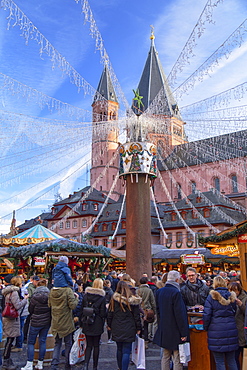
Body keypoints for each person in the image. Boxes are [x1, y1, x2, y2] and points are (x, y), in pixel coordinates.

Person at [153, 270, 189, 370]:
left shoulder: (159, 291)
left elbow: (158, 311)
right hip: (175, 329)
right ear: (177, 280)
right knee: (177, 357)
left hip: (164, 328)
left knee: (165, 355)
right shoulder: (176, 293)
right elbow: (179, 314)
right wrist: (183, 332)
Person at [203, 276, 238, 370]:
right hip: (231, 329)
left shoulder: (211, 297)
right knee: (231, 360)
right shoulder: (231, 296)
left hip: (216, 330)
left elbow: (207, 315)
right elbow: (234, 311)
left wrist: (205, 327)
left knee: (219, 361)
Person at [107, 281, 142, 370]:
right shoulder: (132, 301)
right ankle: (124, 368)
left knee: (119, 349)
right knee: (126, 351)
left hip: (117, 326)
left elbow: (110, 313)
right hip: (129, 327)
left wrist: (109, 324)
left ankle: (120, 367)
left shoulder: (114, 299)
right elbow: (136, 316)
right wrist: (139, 327)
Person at [21, 279, 51, 370]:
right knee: (42, 341)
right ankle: (40, 363)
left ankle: (29, 363)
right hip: (46, 322)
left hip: (35, 321)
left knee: (31, 342)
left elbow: (31, 310)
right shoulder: (50, 297)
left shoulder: (34, 297)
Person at [48, 282, 78, 370]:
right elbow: (73, 305)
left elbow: (49, 304)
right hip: (66, 322)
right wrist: (76, 298)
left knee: (57, 343)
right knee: (68, 343)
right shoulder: (68, 291)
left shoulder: (52, 292)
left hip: (56, 322)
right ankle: (67, 364)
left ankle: (54, 364)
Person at [2, 275, 28, 370]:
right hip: (12, 318)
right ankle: (6, 360)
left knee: (9, 339)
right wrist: (25, 300)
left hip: (8, 317)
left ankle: (6, 360)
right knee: (10, 339)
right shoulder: (14, 293)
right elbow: (17, 306)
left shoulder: (8, 291)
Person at [80, 278, 106, 370]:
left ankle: (86, 364)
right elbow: (103, 313)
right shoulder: (102, 298)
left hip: (87, 321)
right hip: (97, 322)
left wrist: (81, 322)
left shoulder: (86, 296)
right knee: (96, 345)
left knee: (88, 345)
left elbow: (81, 309)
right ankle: (95, 366)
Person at [228, 281, 247, 370]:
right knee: (234, 357)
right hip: (233, 331)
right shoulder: (228, 299)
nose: (233, 292)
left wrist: (241, 305)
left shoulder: (245, 298)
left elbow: (245, 313)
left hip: (242, 331)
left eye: (235, 290)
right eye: (231, 290)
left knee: (244, 355)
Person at [137, 276, 156, 349]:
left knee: (140, 326)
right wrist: (154, 311)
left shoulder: (137, 290)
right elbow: (152, 301)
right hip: (147, 310)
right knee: (146, 326)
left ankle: (140, 341)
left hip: (139, 310)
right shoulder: (149, 290)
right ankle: (145, 342)